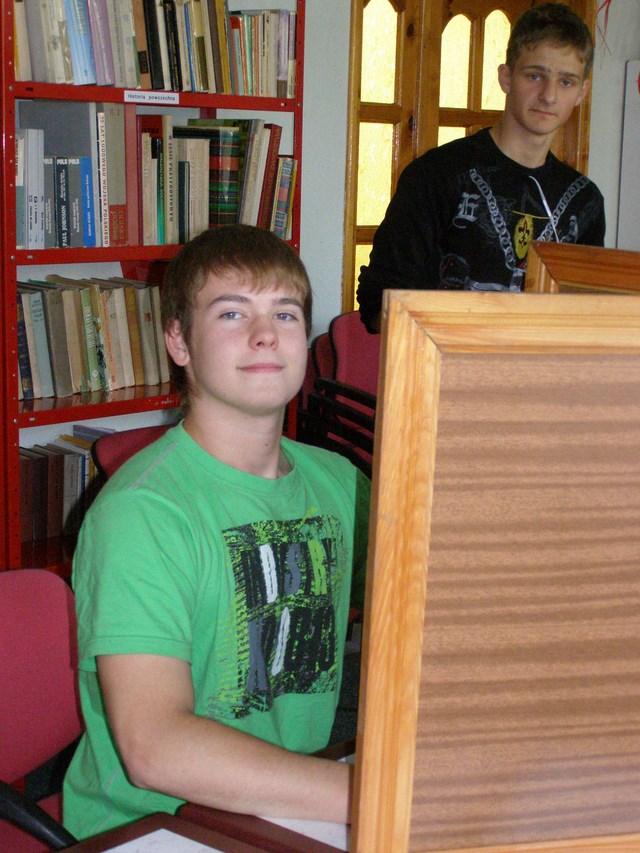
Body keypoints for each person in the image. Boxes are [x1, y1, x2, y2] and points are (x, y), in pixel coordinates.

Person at [63, 225, 370, 839]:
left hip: (285, 801)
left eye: (284, 313)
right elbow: (156, 747)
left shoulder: (339, 482)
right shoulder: (143, 514)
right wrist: (373, 795)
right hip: (155, 825)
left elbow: (420, 608)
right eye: (232, 313)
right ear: (179, 340)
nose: (265, 334)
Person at [357, 2, 605, 333]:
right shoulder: (436, 176)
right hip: (440, 361)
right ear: (506, 77)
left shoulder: (584, 202)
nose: (549, 95)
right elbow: (379, 306)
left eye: (566, 81)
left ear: (582, 92)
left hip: (541, 365)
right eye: (535, 76)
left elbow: (587, 320)